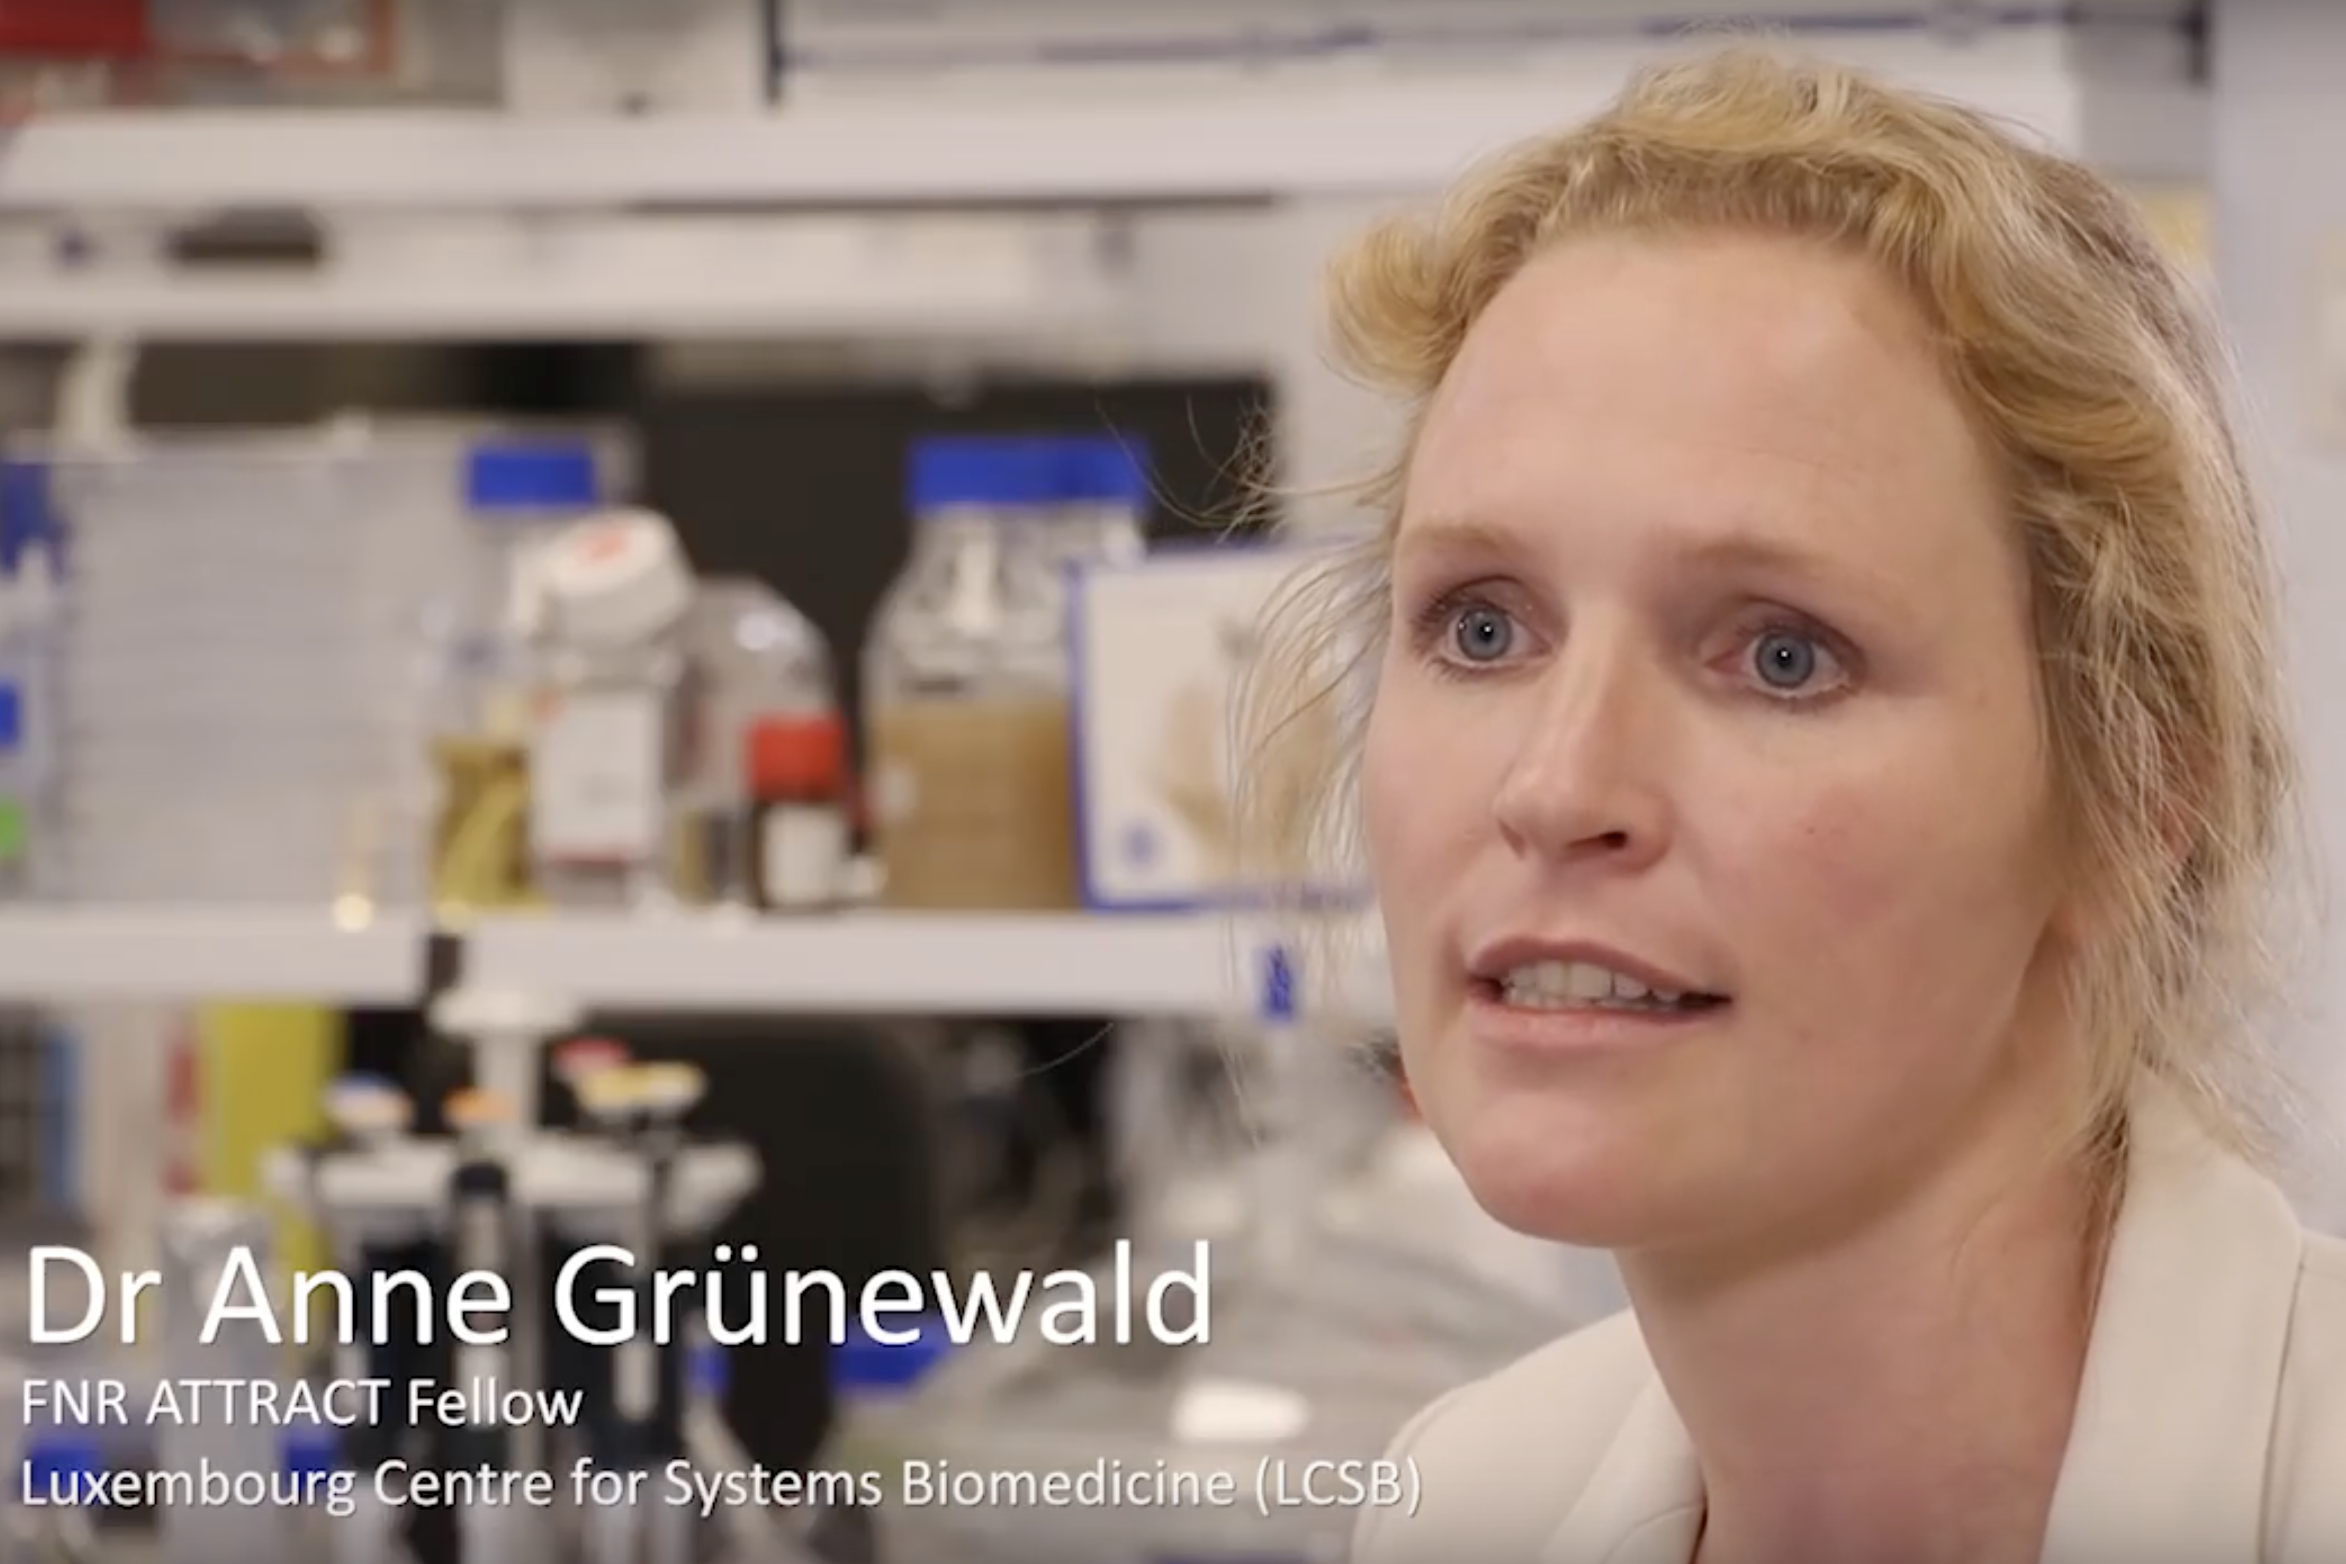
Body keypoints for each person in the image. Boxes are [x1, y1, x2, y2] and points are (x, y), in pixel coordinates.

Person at [1235, 41, 2346, 1564]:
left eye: (1780, 655)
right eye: (1481, 628)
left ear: (2136, 799)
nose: (1556, 786)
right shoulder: (1475, 1490)